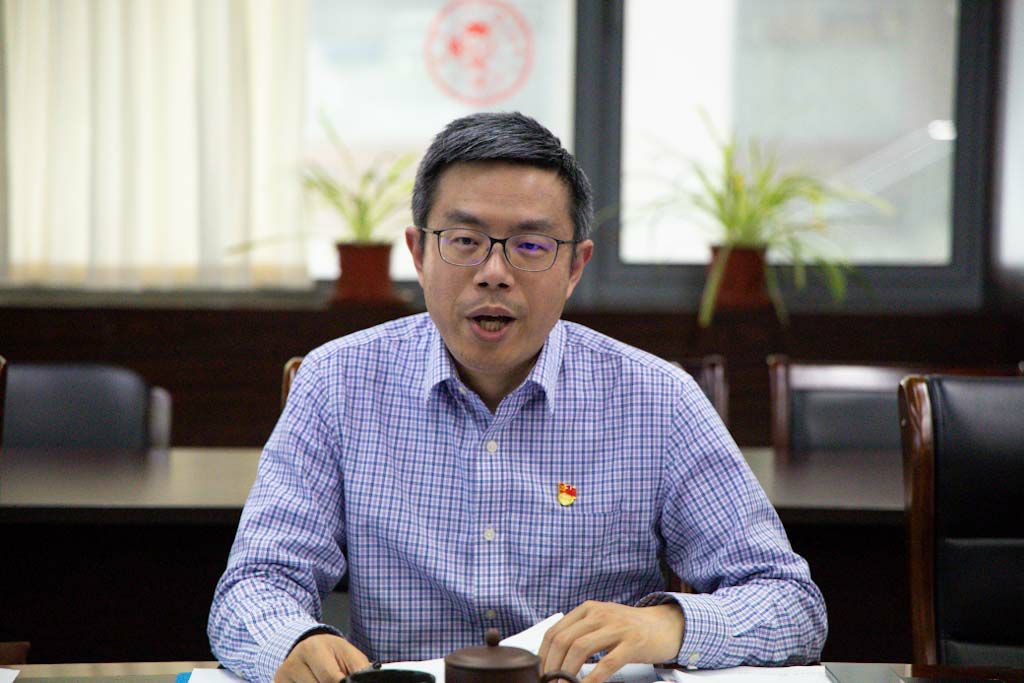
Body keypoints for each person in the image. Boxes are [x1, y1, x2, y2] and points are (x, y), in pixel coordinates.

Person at [208, 112, 827, 683]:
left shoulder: (656, 400)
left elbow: (789, 602)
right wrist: (295, 642)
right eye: (464, 240)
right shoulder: (336, 382)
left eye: (531, 246)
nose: (494, 273)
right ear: (418, 253)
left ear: (575, 267)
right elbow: (255, 584)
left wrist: (666, 626)